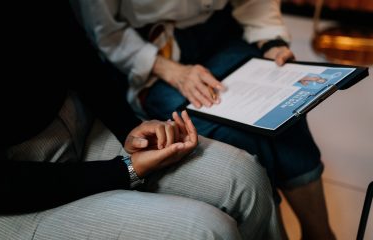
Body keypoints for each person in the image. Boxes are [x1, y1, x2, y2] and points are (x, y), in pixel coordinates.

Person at [0, 3, 281, 240]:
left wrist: (128, 126)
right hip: (0, 193)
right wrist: (125, 170)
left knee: (246, 178)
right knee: (207, 231)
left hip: (80, 124)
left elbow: (73, 47)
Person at [71, 0, 336, 239]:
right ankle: (275, 232)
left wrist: (272, 43)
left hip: (218, 30)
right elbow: (105, 30)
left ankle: (320, 233)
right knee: (235, 137)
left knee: (285, 112)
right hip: (151, 50)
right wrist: (172, 71)